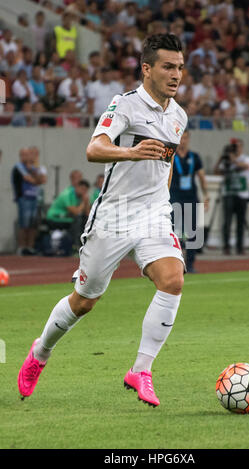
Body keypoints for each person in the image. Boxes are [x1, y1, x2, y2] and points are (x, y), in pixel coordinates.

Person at [18, 33, 187, 408]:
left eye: (179, 67)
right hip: (113, 216)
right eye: (167, 66)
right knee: (84, 300)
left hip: (154, 214)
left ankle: (141, 370)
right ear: (147, 69)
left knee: (173, 280)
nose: (176, 74)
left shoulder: (178, 115)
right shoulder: (124, 105)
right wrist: (130, 152)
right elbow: (94, 148)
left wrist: (163, 199)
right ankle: (40, 353)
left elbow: (167, 162)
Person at [169, 129, 209, 272]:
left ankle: (190, 264)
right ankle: (176, 264)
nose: (183, 141)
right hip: (174, 197)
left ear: (188, 139)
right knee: (174, 232)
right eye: (181, 138)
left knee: (192, 232)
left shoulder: (195, 157)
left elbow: (202, 177)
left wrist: (206, 195)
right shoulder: (170, 155)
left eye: (185, 138)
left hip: (191, 197)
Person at [214, 138, 249, 255]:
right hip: (228, 193)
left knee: (241, 222)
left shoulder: (246, 158)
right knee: (227, 221)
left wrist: (233, 159)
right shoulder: (226, 160)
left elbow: (246, 166)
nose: (236, 149)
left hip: (242, 194)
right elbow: (216, 171)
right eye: (234, 147)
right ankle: (226, 246)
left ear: (242, 147)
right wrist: (221, 158)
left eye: (238, 146)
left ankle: (240, 246)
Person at [11, 147, 47, 255]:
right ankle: (22, 247)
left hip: (35, 198)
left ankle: (30, 247)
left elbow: (43, 180)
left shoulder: (37, 167)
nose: (28, 157)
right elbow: (31, 180)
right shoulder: (19, 166)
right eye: (25, 155)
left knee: (33, 225)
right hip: (24, 198)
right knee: (24, 224)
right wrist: (37, 179)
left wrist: (34, 172)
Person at [46, 178, 90, 252]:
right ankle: (75, 246)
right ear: (77, 187)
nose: (84, 192)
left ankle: (83, 245)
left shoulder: (81, 196)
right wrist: (83, 202)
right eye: (82, 189)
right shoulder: (67, 194)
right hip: (54, 218)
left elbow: (87, 214)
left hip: (67, 218)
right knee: (77, 220)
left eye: (85, 190)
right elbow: (75, 212)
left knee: (85, 220)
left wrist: (86, 203)